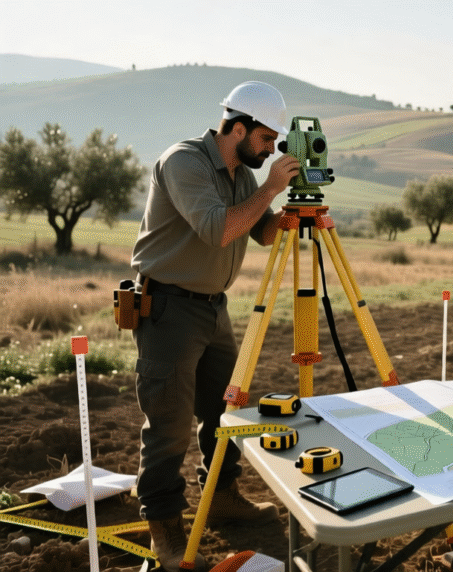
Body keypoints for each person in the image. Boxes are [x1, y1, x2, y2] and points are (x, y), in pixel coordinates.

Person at [131, 80, 300, 570]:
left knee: (225, 412)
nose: (271, 149)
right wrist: (271, 184)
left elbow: (261, 232)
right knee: (168, 427)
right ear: (238, 126)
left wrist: (291, 211)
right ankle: (164, 530)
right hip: (168, 309)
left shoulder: (240, 174)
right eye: (267, 139)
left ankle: (222, 495)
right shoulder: (184, 162)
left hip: (212, 308)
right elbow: (219, 229)